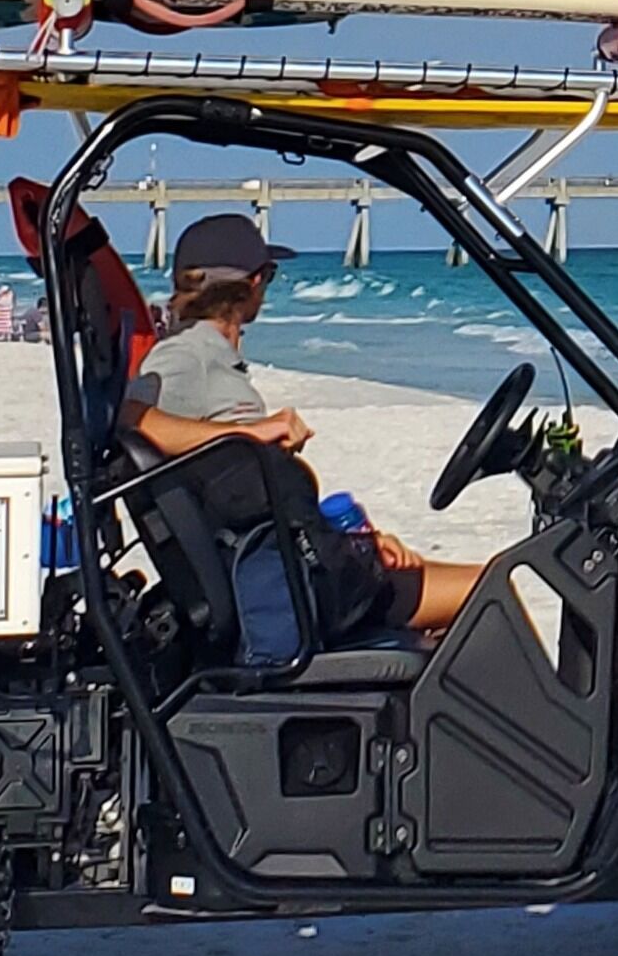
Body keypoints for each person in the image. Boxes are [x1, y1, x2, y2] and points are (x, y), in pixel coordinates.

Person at [129, 214, 480, 639]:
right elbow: (132, 418)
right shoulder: (188, 354)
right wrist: (251, 434)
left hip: (298, 565)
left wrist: (355, 544)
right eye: (270, 275)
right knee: (492, 587)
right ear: (254, 282)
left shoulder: (214, 356)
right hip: (292, 590)